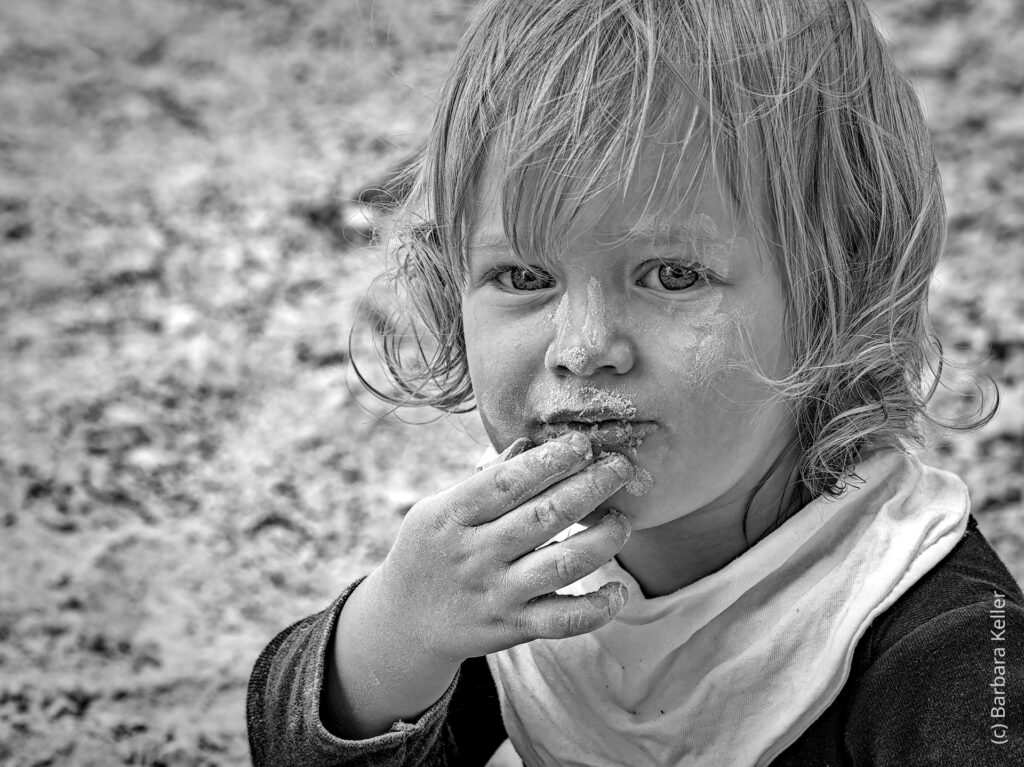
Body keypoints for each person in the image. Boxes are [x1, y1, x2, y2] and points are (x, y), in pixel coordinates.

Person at [246, 1, 1024, 764]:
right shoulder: (515, 566)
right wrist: (400, 630)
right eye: (522, 275)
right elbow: (293, 746)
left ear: (837, 292)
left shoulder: (945, 641)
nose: (583, 349)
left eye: (673, 275)